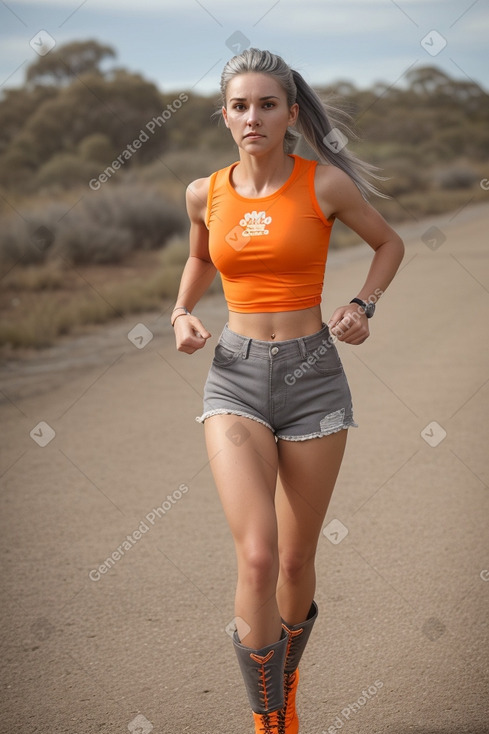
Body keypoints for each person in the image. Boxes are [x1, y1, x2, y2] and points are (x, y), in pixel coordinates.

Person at [171, 48, 404, 734]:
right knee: (258, 554)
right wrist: (182, 311)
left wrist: (362, 305)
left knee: (297, 560)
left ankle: (283, 680)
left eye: (266, 104)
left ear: (290, 114)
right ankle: (272, 721)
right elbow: (196, 256)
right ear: (224, 116)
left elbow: (388, 244)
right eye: (239, 105)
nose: (253, 116)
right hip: (235, 375)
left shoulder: (324, 185)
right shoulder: (201, 191)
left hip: (312, 377)